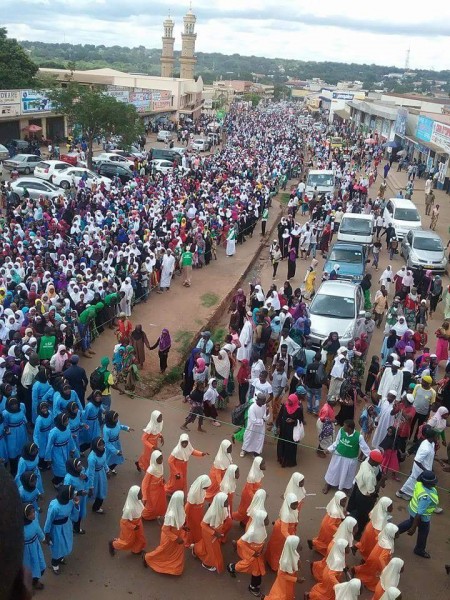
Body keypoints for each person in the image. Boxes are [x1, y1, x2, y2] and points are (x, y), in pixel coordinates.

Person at [397, 470, 438, 558]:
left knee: (410, 522)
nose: (435, 484)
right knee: (423, 531)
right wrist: (413, 528)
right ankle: (419, 549)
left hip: (413, 510)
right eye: (433, 483)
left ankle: (393, 532)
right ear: (428, 483)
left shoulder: (419, 484)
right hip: (422, 517)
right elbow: (419, 514)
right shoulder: (426, 497)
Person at [346, 446, 385, 539]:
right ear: (374, 461)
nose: (379, 464)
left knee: (355, 509)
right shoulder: (370, 476)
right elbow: (372, 492)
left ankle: (348, 522)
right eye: (378, 462)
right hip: (365, 497)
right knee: (363, 516)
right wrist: (381, 481)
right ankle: (358, 533)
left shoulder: (364, 463)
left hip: (358, 489)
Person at [144, 490, 187, 575]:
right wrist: (176, 538)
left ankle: (174, 566)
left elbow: (179, 522)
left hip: (177, 535)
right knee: (163, 551)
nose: (185, 499)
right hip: (171, 537)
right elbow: (165, 529)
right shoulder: (171, 514)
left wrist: (184, 528)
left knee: (173, 553)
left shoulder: (180, 509)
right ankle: (147, 557)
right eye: (183, 498)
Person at [227, 509, 268, 597]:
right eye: (266, 519)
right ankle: (253, 587)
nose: (267, 520)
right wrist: (252, 552)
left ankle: (232, 567)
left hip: (257, 554)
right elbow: (240, 542)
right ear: (260, 520)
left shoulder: (260, 526)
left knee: (254, 569)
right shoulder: (251, 532)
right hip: (253, 554)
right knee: (251, 568)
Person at [322, 420, 371, 493]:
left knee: (348, 474)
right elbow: (337, 442)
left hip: (350, 460)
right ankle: (328, 483)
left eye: (345, 426)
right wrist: (329, 449)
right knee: (333, 470)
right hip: (338, 456)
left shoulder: (359, 437)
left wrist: (372, 457)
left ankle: (347, 487)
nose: (342, 427)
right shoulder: (341, 431)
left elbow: (365, 448)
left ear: (350, 428)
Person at [43, 485, 80, 574]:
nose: (74, 495)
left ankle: (61, 557)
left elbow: (74, 516)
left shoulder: (70, 502)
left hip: (66, 526)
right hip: (56, 529)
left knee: (65, 541)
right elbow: (49, 520)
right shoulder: (55, 506)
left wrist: (76, 505)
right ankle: (55, 563)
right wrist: (47, 533)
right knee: (57, 545)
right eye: (72, 494)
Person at [352, 523, 399, 591]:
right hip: (378, 561)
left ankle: (355, 570)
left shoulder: (383, 536)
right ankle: (369, 585)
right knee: (373, 574)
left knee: (368, 568)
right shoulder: (388, 545)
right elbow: (382, 558)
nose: (398, 534)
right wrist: (384, 568)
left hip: (374, 555)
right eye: (396, 533)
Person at [193, 492, 229, 573]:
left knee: (207, 547)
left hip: (216, 531)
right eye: (226, 501)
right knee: (212, 550)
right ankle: (207, 563)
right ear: (220, 502)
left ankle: (195, 549)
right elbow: (203, 524)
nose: (228, 502)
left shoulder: (223, 508)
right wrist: (214, 533)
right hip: (209, 533)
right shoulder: (212, 513)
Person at [265, 493, 299, 571]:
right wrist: (291, 539)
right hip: (281, 534)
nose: (295, 506)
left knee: (281, 549)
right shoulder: (286, 514)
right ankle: (274, 565)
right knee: (278, 549)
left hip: (288, 531)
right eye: (293, 504)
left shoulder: (292, 509)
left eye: (296, 504)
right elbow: (284, 530)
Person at [109, 485, 146, 557]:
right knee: (128, 542)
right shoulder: (129, 509)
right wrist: (133, 527)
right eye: (139, 493)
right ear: (134, 495)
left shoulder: (138, 502)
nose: (142, 494)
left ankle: (136, 550)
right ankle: (113, 544)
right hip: (129, 525)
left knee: (140, 538)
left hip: (138, 522)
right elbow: (124, 521)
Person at [307, 491, 346, 556]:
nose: (345, 503)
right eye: (343, 501)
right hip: (329, 528)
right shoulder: (335, 512)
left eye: (345, 501)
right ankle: (315, 544)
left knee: (323, 539)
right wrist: (339, 531)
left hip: (326, 524)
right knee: (326, 542)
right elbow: (331, 524)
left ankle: (313, 543)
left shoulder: (335, 505)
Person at [45, 412, 77, 487]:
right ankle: (55, 482)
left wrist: (72, 449)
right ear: (61, 421)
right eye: (65, 421)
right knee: (61, 469)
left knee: (66, 467)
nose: (67, 422)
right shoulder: (54, 432)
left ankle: (59, 480)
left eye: (67, 420)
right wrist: (48, 458)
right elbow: (49, 445)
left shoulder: (67, 429)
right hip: (57, 452)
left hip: (65, 450)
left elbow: (70, 439)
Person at [263, 535, 301, 600]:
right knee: (281, 596)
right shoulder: (285, 561)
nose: (300, 546)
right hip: (284, 583)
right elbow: (281, 575)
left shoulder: (293, 552)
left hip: (289, 580)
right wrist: (295, 579)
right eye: (298, 544)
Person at [232, 457, 265, 526]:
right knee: (244, 511)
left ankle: (244, 522)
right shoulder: (252, 476)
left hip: (254, 495)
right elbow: (249, 490)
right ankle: (230, 516)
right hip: (248, 496)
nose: (264, 466)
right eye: (262, 464)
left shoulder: (259, 472)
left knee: (250, 510)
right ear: (258, 465)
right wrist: (255, 497)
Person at [276, 392, 304, 467]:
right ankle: (281, 458)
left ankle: (288, 461)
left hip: (292, 430)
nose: (289, 402)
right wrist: (278, 427)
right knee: (282, 443)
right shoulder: (285, 406)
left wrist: (293, 421)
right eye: (289, 400)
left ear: (295, 401)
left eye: (291, 401)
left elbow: (301, 420)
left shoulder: (298, 409)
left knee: (290, 445)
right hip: (283, 428)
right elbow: (279, 416)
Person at [184, 474, 212, 545]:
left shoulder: (201, 489)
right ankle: (190, 541)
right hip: (193, 513)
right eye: (206, 487)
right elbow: (187, 507)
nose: (207, 489)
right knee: (192, 527)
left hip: (198, 511)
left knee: (198, 526)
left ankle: (196, 539)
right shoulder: (193, 494)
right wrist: (185, 518)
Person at [103, 410, 133, 474]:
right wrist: (115, 451)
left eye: (117, 417)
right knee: (109, 458)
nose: (117, 419)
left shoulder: (117, 422)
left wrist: (127, 428)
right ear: (110, 419)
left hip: (117, 443)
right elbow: (106, 442)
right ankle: (106, 470)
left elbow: (119, 426)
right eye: (115, 418)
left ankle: (111, 468)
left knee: (117, 457)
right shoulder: (106, 429)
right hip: (110, 446)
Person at [241, 392, 269, 458]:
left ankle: (256, 453)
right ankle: (244, 450)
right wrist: (263, 420)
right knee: (248, 437)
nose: (265, 402)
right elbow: (253, 420)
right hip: (252, 427)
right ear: (258, 400)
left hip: (261, 427)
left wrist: (267, 414)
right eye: (263, 401)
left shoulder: (264, 406)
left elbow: (266, 416)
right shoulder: (252, 408)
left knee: (259, 439)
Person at [141, 450, 167, 521]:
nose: (161, 460)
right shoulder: (151, 469)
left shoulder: (160, 465)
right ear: (154, 459)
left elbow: (160, 474)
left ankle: (154, 514)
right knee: (152, 506)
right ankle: (144, 515)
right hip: (152, 491)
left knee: (159, 504)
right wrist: (145, 496)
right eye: (159, 459)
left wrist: (162, 479)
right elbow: (144, 483)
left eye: (161, 458)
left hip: (159, 488)